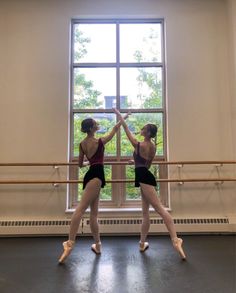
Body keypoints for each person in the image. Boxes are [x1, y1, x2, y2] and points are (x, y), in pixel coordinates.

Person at [113, 108, 186, 260]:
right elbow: (146, 165)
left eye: (144, 128)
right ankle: (142, 243)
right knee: (145, 213)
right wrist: (135, 162)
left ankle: (175, 239)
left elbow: (125, 128)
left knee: (160, 209)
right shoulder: (152, 147)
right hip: (145, 175)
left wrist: (119, 114)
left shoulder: (139, 144)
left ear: (147, 133)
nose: (141, 129)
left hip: (144, 178)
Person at [58, 114, 129, 263]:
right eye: (96, 124)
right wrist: (123, 117)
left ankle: (97, 245)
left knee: (94, 214)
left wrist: (89, 164)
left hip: (91, 174)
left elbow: (79, 164)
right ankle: (70, 243)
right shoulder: (99, 142)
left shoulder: (82, 144)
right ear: (91, 128)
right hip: (97, 175)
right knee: (80, 210)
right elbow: (114, 130)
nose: (98, 125)